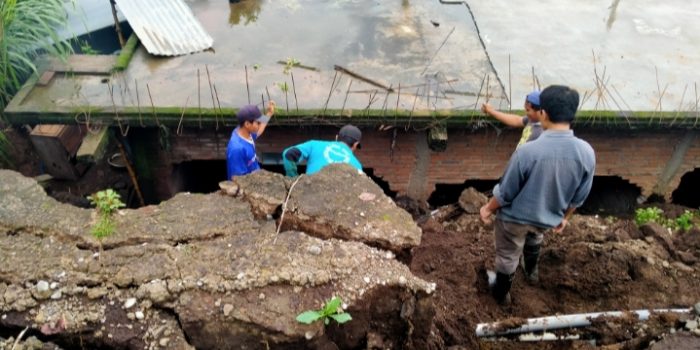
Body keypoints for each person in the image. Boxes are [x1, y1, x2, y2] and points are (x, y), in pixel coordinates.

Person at [479, 85, 596, 305]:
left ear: (543, 112)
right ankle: (531, 272)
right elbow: (580, 195)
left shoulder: (527, 152)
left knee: (508, 255)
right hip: (547, 218)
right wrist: (565, 217)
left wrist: (487, 208)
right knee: (535, 237)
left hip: (514, 220)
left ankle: (501, 293)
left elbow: (506, 193)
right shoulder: (586, 152)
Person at [282, 124, 363, 177]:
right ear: (355, 144)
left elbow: (288, 154)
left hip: (309, 198)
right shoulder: (357, 166)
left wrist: (292, 180)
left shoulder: (314, 144)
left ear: (336, 137)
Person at [226, 101, 275, 179]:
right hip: (249, 184)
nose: (260, 124)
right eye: (257, 122)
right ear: (247, 124)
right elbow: (238, 179)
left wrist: (269, 114)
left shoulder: (245, 132)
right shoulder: (237, 149)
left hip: (256, 173)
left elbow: (259, 130)